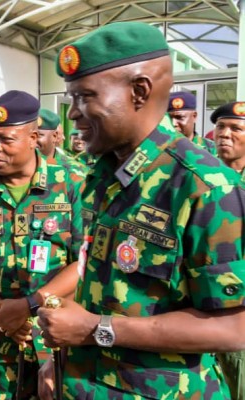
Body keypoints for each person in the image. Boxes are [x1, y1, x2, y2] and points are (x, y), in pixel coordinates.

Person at [37, 22, 245, 400]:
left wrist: (94, 329)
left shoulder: (206, 187)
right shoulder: (101, 176)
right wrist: (64, 357)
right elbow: (99, 284)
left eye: (85, 97)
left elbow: (234, 327)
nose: (74, 116)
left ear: (139, 91)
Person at [0, 90, 84, 399]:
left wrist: (27, 307)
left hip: (57, 331)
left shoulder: (72, 182)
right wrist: (1, 311)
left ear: (34, 137)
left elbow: (84, 262)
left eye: (6, 139)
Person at [211, 101, 245, 400]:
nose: (225, 133)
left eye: (236, 128)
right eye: (221, 126)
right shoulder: (199, 178)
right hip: (203, 310)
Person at [37, 108, 87, 178]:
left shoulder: (73, 170)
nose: (32, 140)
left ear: (54, 136)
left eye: (39, 135)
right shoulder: (20, 164)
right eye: (29, 135)